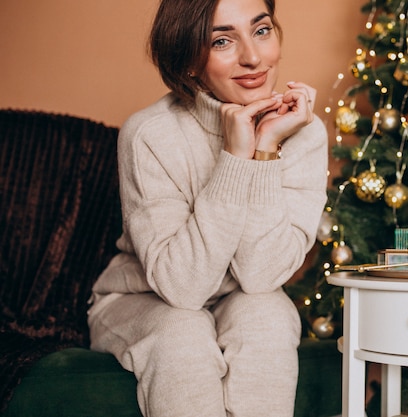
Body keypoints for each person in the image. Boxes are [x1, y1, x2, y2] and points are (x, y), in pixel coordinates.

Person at [87, 0, 328, 415]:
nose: (253, 57)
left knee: (269, 315)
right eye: (222, 41)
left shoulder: (302, 132)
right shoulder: (149, 134)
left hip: (241, 297)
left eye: (262, 30)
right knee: (182, 331)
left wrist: (265, 148)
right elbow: (183, 288)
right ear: (189, 62)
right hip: (146, 299)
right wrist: (235, 157)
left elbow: (261, 275)